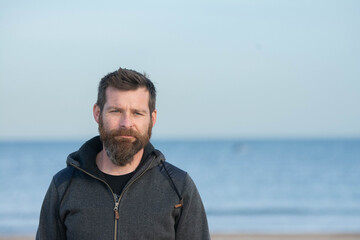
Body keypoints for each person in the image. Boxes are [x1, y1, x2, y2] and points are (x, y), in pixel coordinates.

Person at [36, 67, 210, 239]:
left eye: (137, 113)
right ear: (98, 113)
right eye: (116, 111)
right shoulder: (64, 186)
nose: (126, 123)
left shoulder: (178, 187)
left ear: (152, 118)